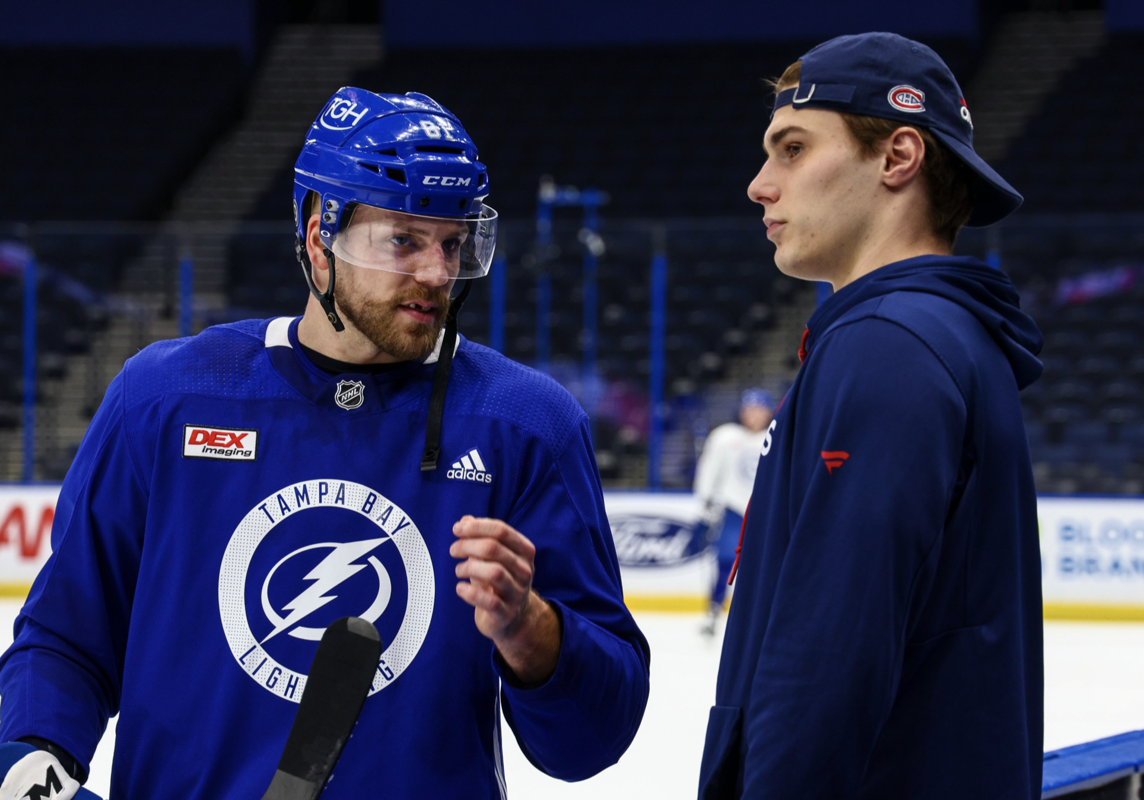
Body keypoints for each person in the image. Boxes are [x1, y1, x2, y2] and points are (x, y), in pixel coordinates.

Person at [0, 88, 650, 800]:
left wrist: (533, 634)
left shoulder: (527, 426)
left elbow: (593, 740)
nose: (436, 274)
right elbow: (65, 638)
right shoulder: (165, 398)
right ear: (319, 237)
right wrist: (34, 761)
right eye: (404, 240)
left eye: (453, 243)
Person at [698, 33, 1043, 799]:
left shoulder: (886, 348)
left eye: (791, 149)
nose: (760, 184)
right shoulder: (942, 335)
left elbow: (827, 657)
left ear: (897, 158)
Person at [692, 388, 775, 635]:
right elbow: (708, 471)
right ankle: (713, 610)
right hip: (732, 509)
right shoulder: (725, 436)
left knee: (766, 565)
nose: (753, 414)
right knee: (725, 560)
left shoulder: (777, 435)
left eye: (759, 409)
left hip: (765, 511)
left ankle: (762, 617)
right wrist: (704, 504)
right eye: (749, 408)